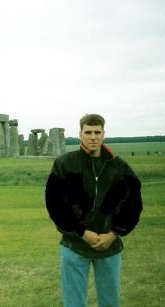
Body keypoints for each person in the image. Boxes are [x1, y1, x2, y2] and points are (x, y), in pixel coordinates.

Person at [45, 114, 143, 307]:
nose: (92, 137)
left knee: (110, 301)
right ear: (80, 134)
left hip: (109, 244)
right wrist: (81, 231)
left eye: (97, 132)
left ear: (103, 134)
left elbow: (133, 204)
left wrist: (115, 233)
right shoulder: (64, 164)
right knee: (74, 302)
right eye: (88, 132)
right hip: (74, 244)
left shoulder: (119, 167)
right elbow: (55, 204)